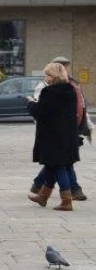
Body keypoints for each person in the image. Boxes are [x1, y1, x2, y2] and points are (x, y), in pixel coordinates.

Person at [30, 56, 89, 201]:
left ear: (56, 75)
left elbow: (40, 111)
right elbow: (80, 109)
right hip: (68, 134)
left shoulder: (49, 92)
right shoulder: (71, 89)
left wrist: (30, 104)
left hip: (53, 136)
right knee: (54, 166)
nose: (46, 77)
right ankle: (42, 195)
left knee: (60, 167)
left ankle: (67, 199)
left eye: (48, 74)